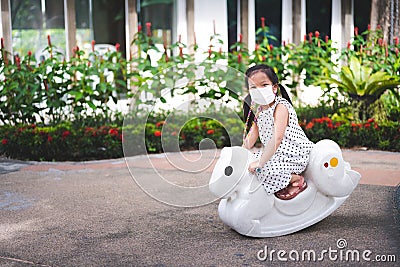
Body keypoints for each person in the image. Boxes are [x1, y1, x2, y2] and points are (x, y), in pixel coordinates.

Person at [242, 64, 314, 200]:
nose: (259, 90)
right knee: (248, 163)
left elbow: (277, 137)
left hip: (293, 154)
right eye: (253, 87)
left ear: (274, 87)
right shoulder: (259, 111)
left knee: (262, 169)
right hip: (275, 154)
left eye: (264, 85)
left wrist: (261, 162)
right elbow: (252, 137)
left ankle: (296, 180)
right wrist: (239, 153)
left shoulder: (280, 107)